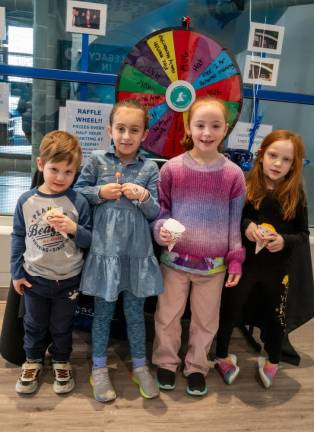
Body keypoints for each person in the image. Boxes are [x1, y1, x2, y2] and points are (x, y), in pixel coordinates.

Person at [152, 96, 246, 396]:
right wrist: (160, 231)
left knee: (206, 320)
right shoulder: (172, 169)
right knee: (167, 316)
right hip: (175, 261)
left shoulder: (233, 175)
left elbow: (234, 222)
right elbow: (161, 212)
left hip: (214, 266)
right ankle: (166, 362)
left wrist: (235, 259)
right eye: (200, 125)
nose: (207, 132)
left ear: (225, 129)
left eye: (215, 126)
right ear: (188, 127)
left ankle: (196, 366)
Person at [74, 99, 163, 402]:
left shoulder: (150, 167)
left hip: (136, 255)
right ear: (109, 129)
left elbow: (155, 212)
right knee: (103, 313)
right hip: (105, 254)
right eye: (120, 128)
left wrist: (143, 197)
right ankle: (98, 367)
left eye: (134, 130)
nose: (126, 136)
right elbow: (78, 192)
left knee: (135, 314)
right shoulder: (97, 160)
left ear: (144, 134)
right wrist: (99, 192)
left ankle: (140, 365)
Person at [215, 129, 310, 389]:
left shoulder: (296, 194)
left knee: (276, 316)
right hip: (244, 265)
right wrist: (246, 226)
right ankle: (222, 354)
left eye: (286, 159)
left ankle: (273, 359)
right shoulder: (247, 185)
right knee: (230, 310)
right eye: (273, 155)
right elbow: (235, 218)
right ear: (261, 155)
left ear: (294, 164)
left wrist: (284, 241)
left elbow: (302, 234)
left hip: (277, 270)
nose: (278, 163)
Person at [11, 130, 92, 395]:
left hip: (68, 278)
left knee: (62, 325)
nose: (60, 178)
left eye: (68, 172)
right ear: (41, 164)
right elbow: (18, 237)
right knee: (33, 323)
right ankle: (32, 360)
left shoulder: (78, 201)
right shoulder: (26, 201)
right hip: (35, 278)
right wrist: (16, 272)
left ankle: (61, 360)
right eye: (54, 169)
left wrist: (72, 228)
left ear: (76, 171)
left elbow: (90, 239)